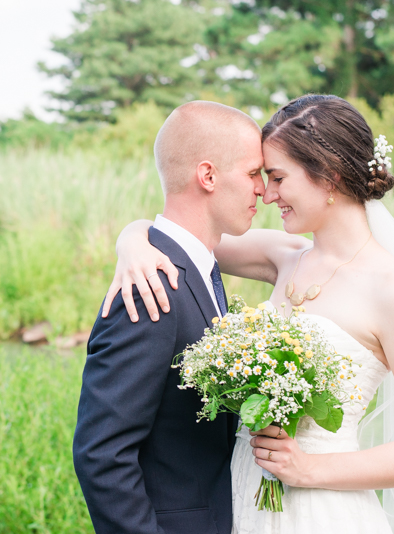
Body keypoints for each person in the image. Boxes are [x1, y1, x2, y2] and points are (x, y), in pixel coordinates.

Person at [102, 95, 394, 534]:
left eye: (278, 177)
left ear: (330, 176)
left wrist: (308, 470)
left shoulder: (393, 291)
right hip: (241, 498)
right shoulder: (285, 255)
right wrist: (130, 241)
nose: (267, 194)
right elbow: (182, 235)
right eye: (263, 177)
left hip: (322, 510)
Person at [72, 101, 266, 533]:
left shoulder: (200, 269)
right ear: (208, 176)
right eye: (254, 173)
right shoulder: (151, 286)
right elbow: (101, 454)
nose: (263, 189)